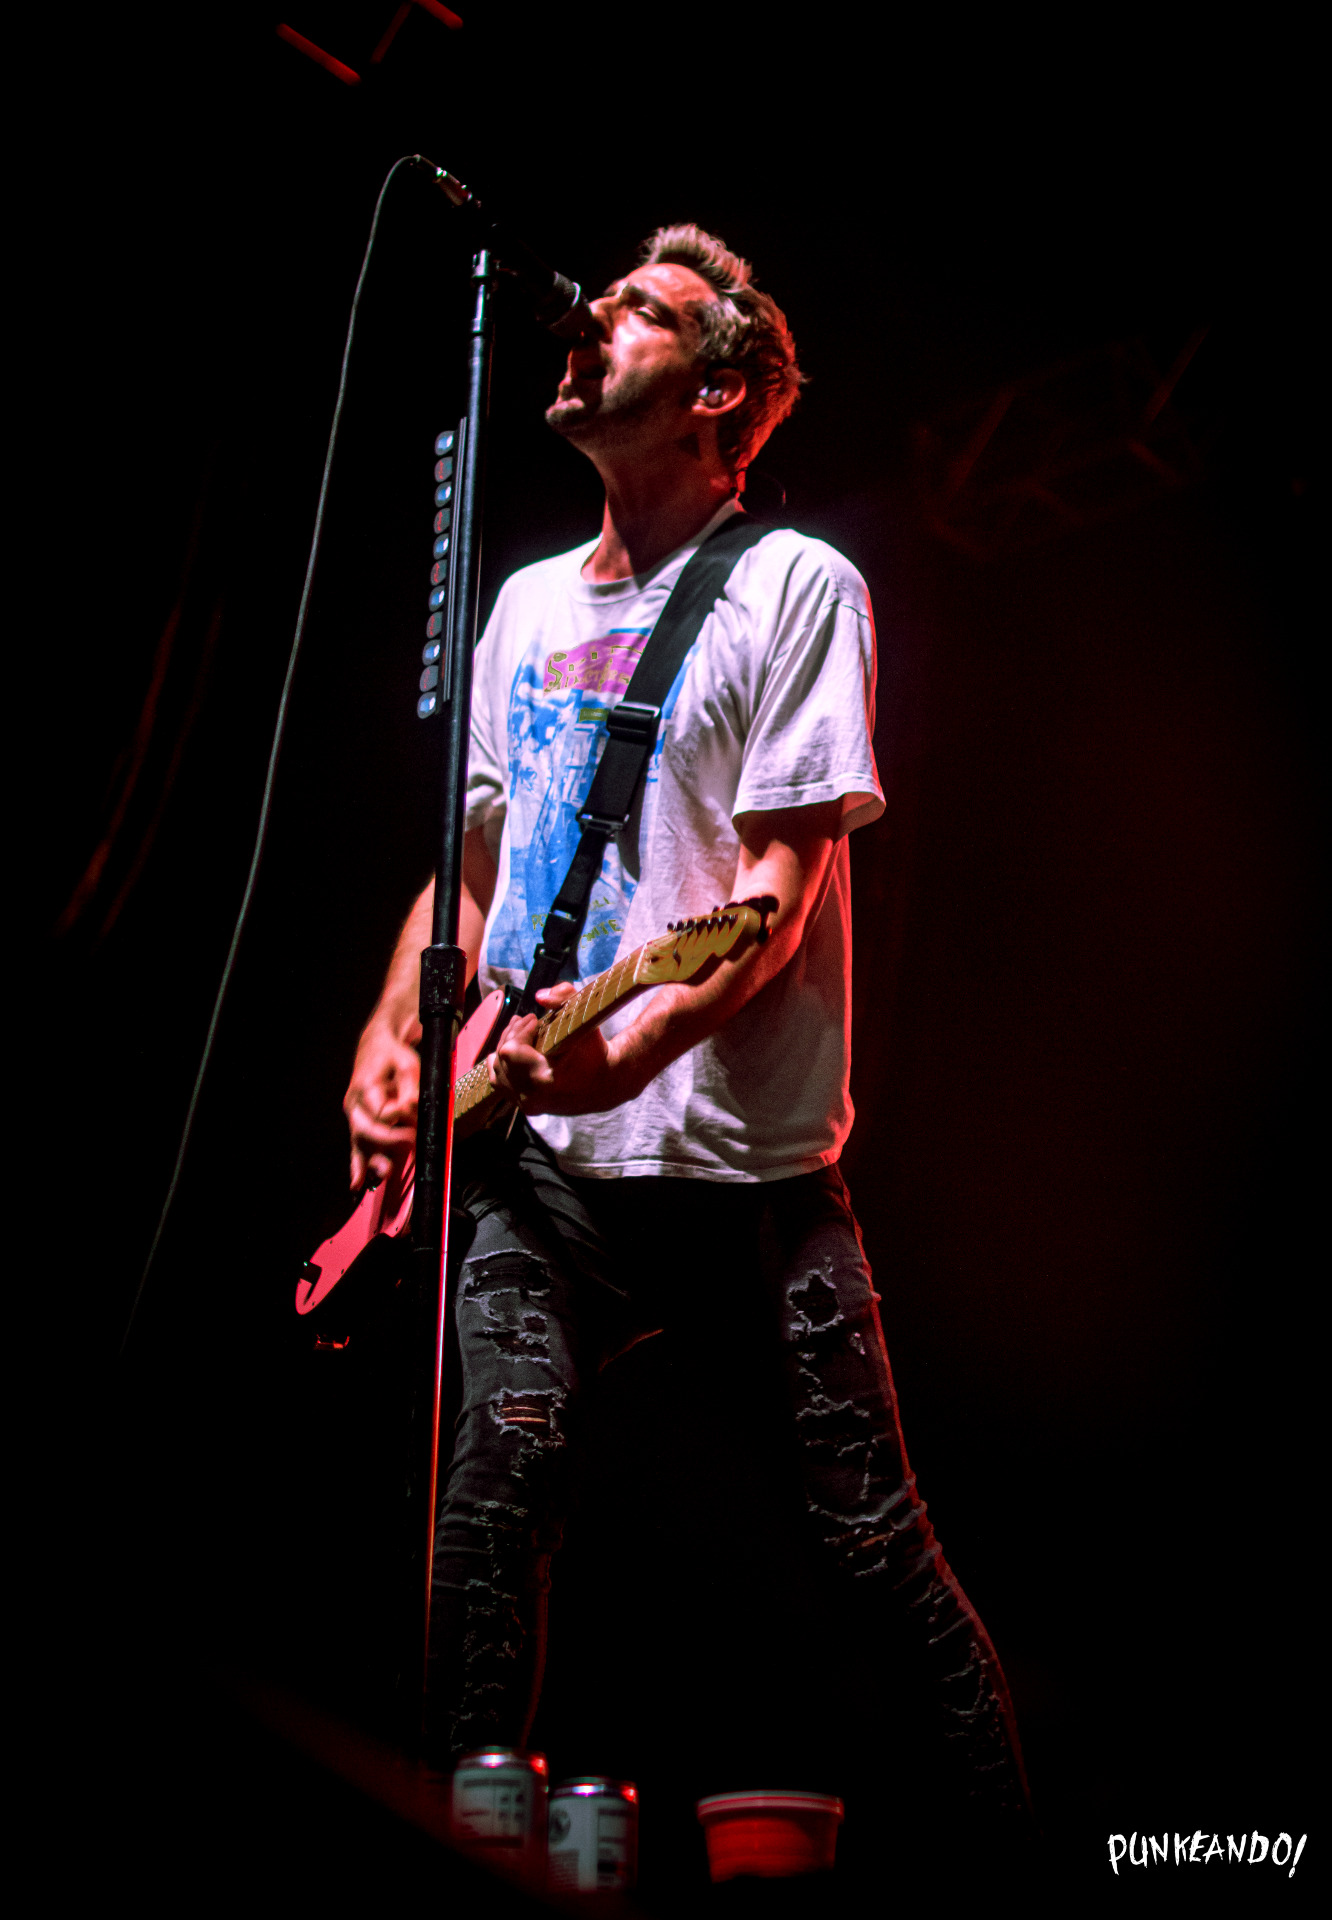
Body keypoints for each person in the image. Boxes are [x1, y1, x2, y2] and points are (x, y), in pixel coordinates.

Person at [344, 225, 1029, 1828]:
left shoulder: (796, 586)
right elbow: (474, 870)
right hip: (540, 1165)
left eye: (639, 310)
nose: (589, 320)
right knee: (490, 1496)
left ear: (719, 391)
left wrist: (628, 1052)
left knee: (875, 1554)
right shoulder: (522, 604)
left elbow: (773, 896)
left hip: (745, 1180)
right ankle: (457, 1842)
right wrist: (390, 1030)